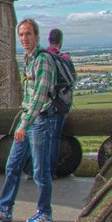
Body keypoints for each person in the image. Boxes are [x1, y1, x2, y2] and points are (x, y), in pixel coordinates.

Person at [0, 18, 59, 222]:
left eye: (28, 34)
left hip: (40, 122)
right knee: (12, 165)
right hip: (28, 120)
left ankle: (45, 212)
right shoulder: (28, 59)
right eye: (21, 35)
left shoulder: (43, 60)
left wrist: (24, 125)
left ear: (36, 36)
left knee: (39, 171)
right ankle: (4, 210)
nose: (24, 38)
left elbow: (40, 98)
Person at [44, 27, 74, 177]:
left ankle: (35, 170)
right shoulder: (65, 58)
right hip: (60, 104)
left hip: (42, 103)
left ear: (49, 40)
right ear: (60, 41)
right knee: (55, 138)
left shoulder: (41, 57)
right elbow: (72, 79)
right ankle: (51, 171)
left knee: (40, 137)